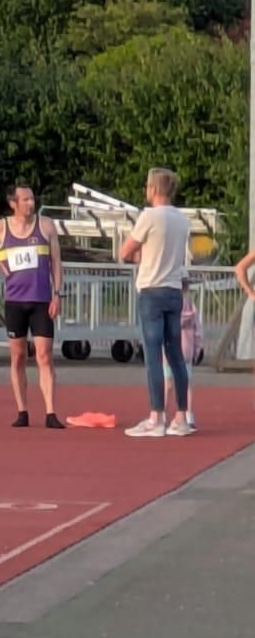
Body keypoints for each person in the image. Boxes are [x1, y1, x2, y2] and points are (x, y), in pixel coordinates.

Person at [0, 181, 64, 428]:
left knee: (44, 356)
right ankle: (22, 411)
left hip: (41, 301)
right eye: (26, 200)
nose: (31, 203)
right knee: (18, 356)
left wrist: (57, 294)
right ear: (13, 203)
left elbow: (56, 261)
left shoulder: (46, 226)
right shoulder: (1, 228)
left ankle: (51, 412)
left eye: (32, 199)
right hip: (15, 302)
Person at [119, 167, 191, 437]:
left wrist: (141, 255)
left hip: (151, 289)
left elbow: (126, 251)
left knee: (153, 355)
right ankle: (181, 417)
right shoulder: (182, 220)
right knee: (175, 356)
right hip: (174, 289)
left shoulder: (149, 216)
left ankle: (156, 417)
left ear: (153, 189)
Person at [163, 276, 203, 432]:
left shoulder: (169, 308)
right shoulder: (191, 307)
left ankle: (162, 415)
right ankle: (189, 415)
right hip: (187, 349)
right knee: (187, 385)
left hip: (170, 348)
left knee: (167, 384)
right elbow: (198, 330)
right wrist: (197, 348)